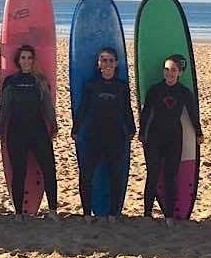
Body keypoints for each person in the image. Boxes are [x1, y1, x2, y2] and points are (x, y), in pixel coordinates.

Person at [72, 46, 136, 222]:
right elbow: (83, 108)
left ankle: (113, 214)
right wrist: (76, 129)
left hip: (116, 137)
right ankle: (86, 213)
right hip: (94, 137)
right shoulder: (91, 85)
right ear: (98, 64)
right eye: (103, 60)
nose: (107, 64)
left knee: (116, 175)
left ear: (116, 64)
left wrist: (131, 129)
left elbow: (126, 110)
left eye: (110, 60)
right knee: (86, 175)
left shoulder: (122, 87)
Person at [0, 44, 59, 218]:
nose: (26, 61)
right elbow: (5, 107)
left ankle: (53, 209)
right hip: (16, 132)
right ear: (18, 60)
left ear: (33, 60)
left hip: (38, 130)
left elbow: (47, 105)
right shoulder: (11, 81)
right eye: (23, 58)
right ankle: (18, 212)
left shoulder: (40, 80)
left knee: (48, 168)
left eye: (29, 58)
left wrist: (53, 124)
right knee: (19, 171)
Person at [139, 54, 202, 220]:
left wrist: (198, 132)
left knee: (170, 175)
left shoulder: (184, 93)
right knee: (152, 174)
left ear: (179, 72)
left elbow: (192, 114)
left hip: (174, 137)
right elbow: (146, 113)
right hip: (154, 137)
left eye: (173, 70)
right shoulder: (154, 90)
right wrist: (141, 132)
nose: (169, 73)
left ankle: (168, 214)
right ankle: (147, 213)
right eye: (166, 69)